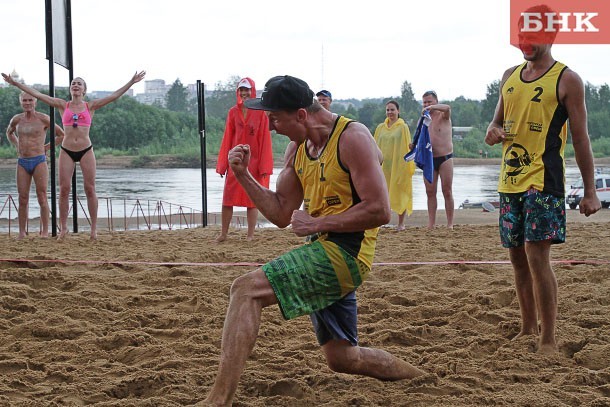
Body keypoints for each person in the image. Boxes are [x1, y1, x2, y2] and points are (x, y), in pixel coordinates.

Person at [202, 75, 424, 405]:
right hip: (322, 247)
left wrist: (319, 222)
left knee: (246, 289)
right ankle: (422, 378)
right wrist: (243, 175)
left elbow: (380, 210)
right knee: (343, 359)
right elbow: (280, 213)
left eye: (275, 117)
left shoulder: (353, 138)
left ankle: (218, 399)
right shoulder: (297, 149)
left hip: (348, 253)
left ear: (302, 115)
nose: (272, 127)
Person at [485, 4, 600, 354]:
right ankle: (526, 329)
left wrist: (591, 191)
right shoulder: (509, 76)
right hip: (510, 181)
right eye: (521, 35)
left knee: (537, 257)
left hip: (544, 181)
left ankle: (548, 338)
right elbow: (497, 123)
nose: (525, 42)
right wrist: (492, 132)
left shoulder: (567, 79)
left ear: (550, 35)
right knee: (517, 257)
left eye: (532, 36)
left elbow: (580, 139)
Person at [3, 71, 146, 240]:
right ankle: (63, 229)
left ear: (84, 90)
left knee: (90, 189)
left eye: (79, 83)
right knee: (64, 190)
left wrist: (131, 82)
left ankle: (93, 230)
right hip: (67, 150)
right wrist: (15, 83)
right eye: (73, 84)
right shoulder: (63, 105)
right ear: (70, 89)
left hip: (86, 149)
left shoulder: (90, 106)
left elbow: (114, 96)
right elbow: (37, 94)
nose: (75, 85)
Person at [215, 77, 273, 242]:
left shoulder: (261, 113)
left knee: (252, 199)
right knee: (228, 198)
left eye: (247, 89)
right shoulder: (233, 112)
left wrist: (264, 167)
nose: (244, 93)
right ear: (238, 92)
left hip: (253, 162)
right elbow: (227, 138)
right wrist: (222, 165)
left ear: (252, 91)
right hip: (235, 161)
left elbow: (265, 140)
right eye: (242, 90)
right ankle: (224, 234)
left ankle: (250, 235)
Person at [5, 92, 65, 239]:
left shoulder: (43, 118)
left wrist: (46, 147)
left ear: (35, 102)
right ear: (21, 102)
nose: (27, 103)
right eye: (24, 100)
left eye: (30, 100)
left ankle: (45, 232)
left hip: (39, 160)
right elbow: (9, 133)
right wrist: (16, 144)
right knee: (23, 198)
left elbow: (61, 134)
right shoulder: (17, 119)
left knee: (42, 196)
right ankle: (21, 232)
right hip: (22, 161)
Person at [373, 100, 415, 230]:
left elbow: (407, 146)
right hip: (383, 166)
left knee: (399, 190)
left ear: (398, 111)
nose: (390, 112)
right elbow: (374, 145)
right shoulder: (380, 128)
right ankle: (380, 221)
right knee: (381, 193)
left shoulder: (403, 127)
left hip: (398, 165)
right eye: (388, 110)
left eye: (392, 110)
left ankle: (401, 223)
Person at [417, 90, 454, 229]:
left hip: (445, 157)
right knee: (430, 192)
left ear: (436, 102)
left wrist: (433, 108)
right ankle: (431, 223)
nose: (426, 105)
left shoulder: (444, 115)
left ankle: (450, 223)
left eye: (429, 102)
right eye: (424, 102)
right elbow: (419, 136)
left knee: (447, 191)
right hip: (429, 159)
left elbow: (447, 108)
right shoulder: (424, 118)